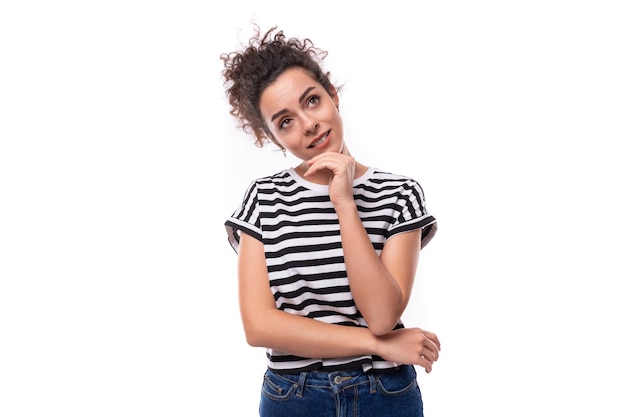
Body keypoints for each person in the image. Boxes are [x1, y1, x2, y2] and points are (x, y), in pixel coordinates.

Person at [221, 25, 441, 417]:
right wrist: (379, 345)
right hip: (294, 395)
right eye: (284, 121)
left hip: (385, 394)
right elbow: (259, 326)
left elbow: (381, 315)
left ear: (333, 96)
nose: (307, 124)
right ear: (274, 138)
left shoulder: (400, 194)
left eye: (312, 101)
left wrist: (344, 202)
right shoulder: (264, 198)